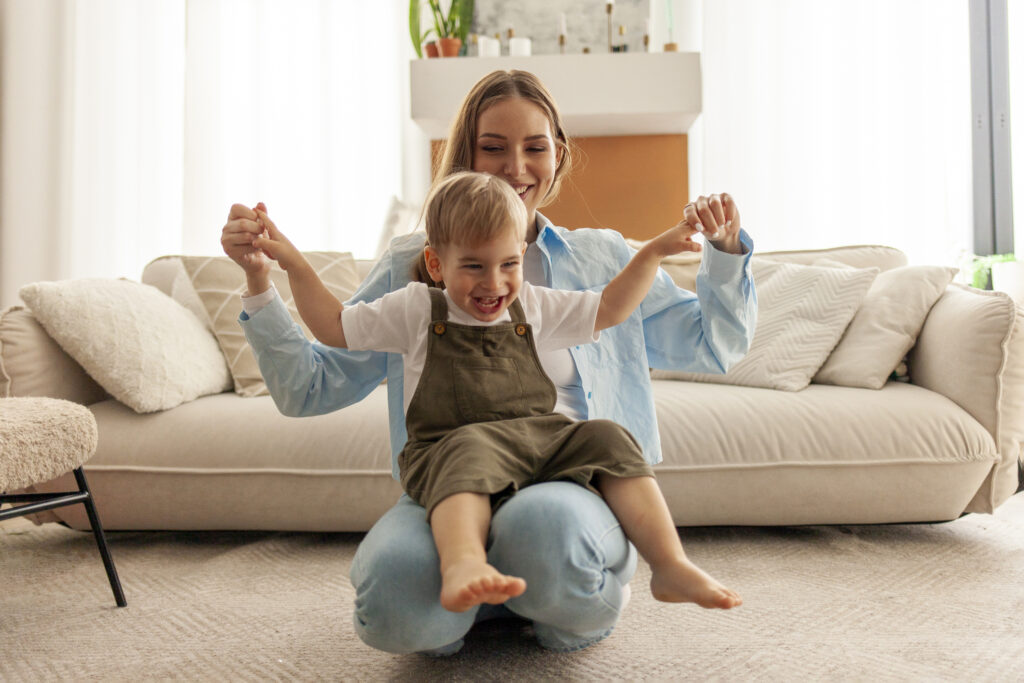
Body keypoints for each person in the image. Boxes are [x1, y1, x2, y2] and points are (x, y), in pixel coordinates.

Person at [221, 69, 756, 654]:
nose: (516, 167)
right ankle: (469, 587)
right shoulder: (412, 277)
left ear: (560, 153)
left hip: (562, 473)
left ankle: (621, 582)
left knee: (548, 523)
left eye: (535, 147)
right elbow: (312, 384)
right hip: (453, 471)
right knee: (394, 595)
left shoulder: (596, 261)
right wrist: (262, 282)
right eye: (493, 148)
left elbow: (707, 342)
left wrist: (712, 251)